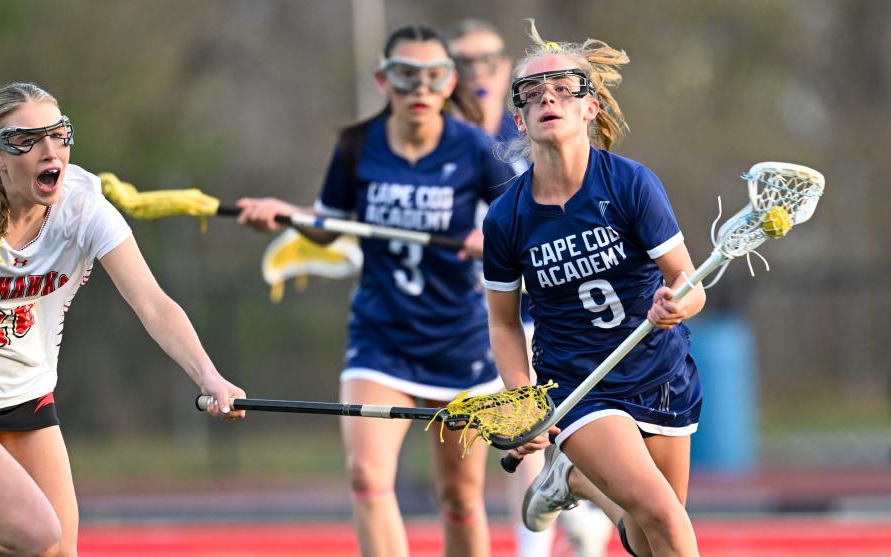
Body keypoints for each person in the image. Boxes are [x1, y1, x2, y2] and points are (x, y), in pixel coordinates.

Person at [0, 82, 246, 557]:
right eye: (27, 140)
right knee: (36, 536)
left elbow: (153, 303)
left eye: (59, 135)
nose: (49, 150)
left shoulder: (83, 209)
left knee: (59, 552)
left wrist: (209, 375)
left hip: (27, 393)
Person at [237, 24, 514, 557]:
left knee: (459, 497)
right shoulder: (357, 146)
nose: (420, 89)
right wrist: (287, 217)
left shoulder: (477, 149)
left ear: (448, 81)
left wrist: (492, 237)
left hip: (459, 340)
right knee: (367, 478)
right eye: (406, 76)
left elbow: (521, 219)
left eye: (433, 77)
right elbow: (329, 225)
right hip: (381, 338)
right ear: (383, 80)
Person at [482, 21, 707, 557]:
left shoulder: (630, 183)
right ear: (519, 118)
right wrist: (523, 399)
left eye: (564, 88)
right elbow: (503, 321)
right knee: (666, 518)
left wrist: (678, 304)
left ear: (591, 109)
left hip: (661, 371)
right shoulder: (507, 217)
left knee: (648, 537)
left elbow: (689, 282)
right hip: (580, 385)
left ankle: (576, 482)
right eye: (532, 93)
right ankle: (578, 470)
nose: (547, 99)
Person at [450, 19, 613, 557]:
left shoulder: (514, 137)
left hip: (513, 313)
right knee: (486, 453)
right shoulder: (435, 135)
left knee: (524, 431)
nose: (476, 74)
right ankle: (574, 512)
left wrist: (487, 242)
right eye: (463, 63)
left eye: (487, 61)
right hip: (452, 317)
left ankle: (540, 538)